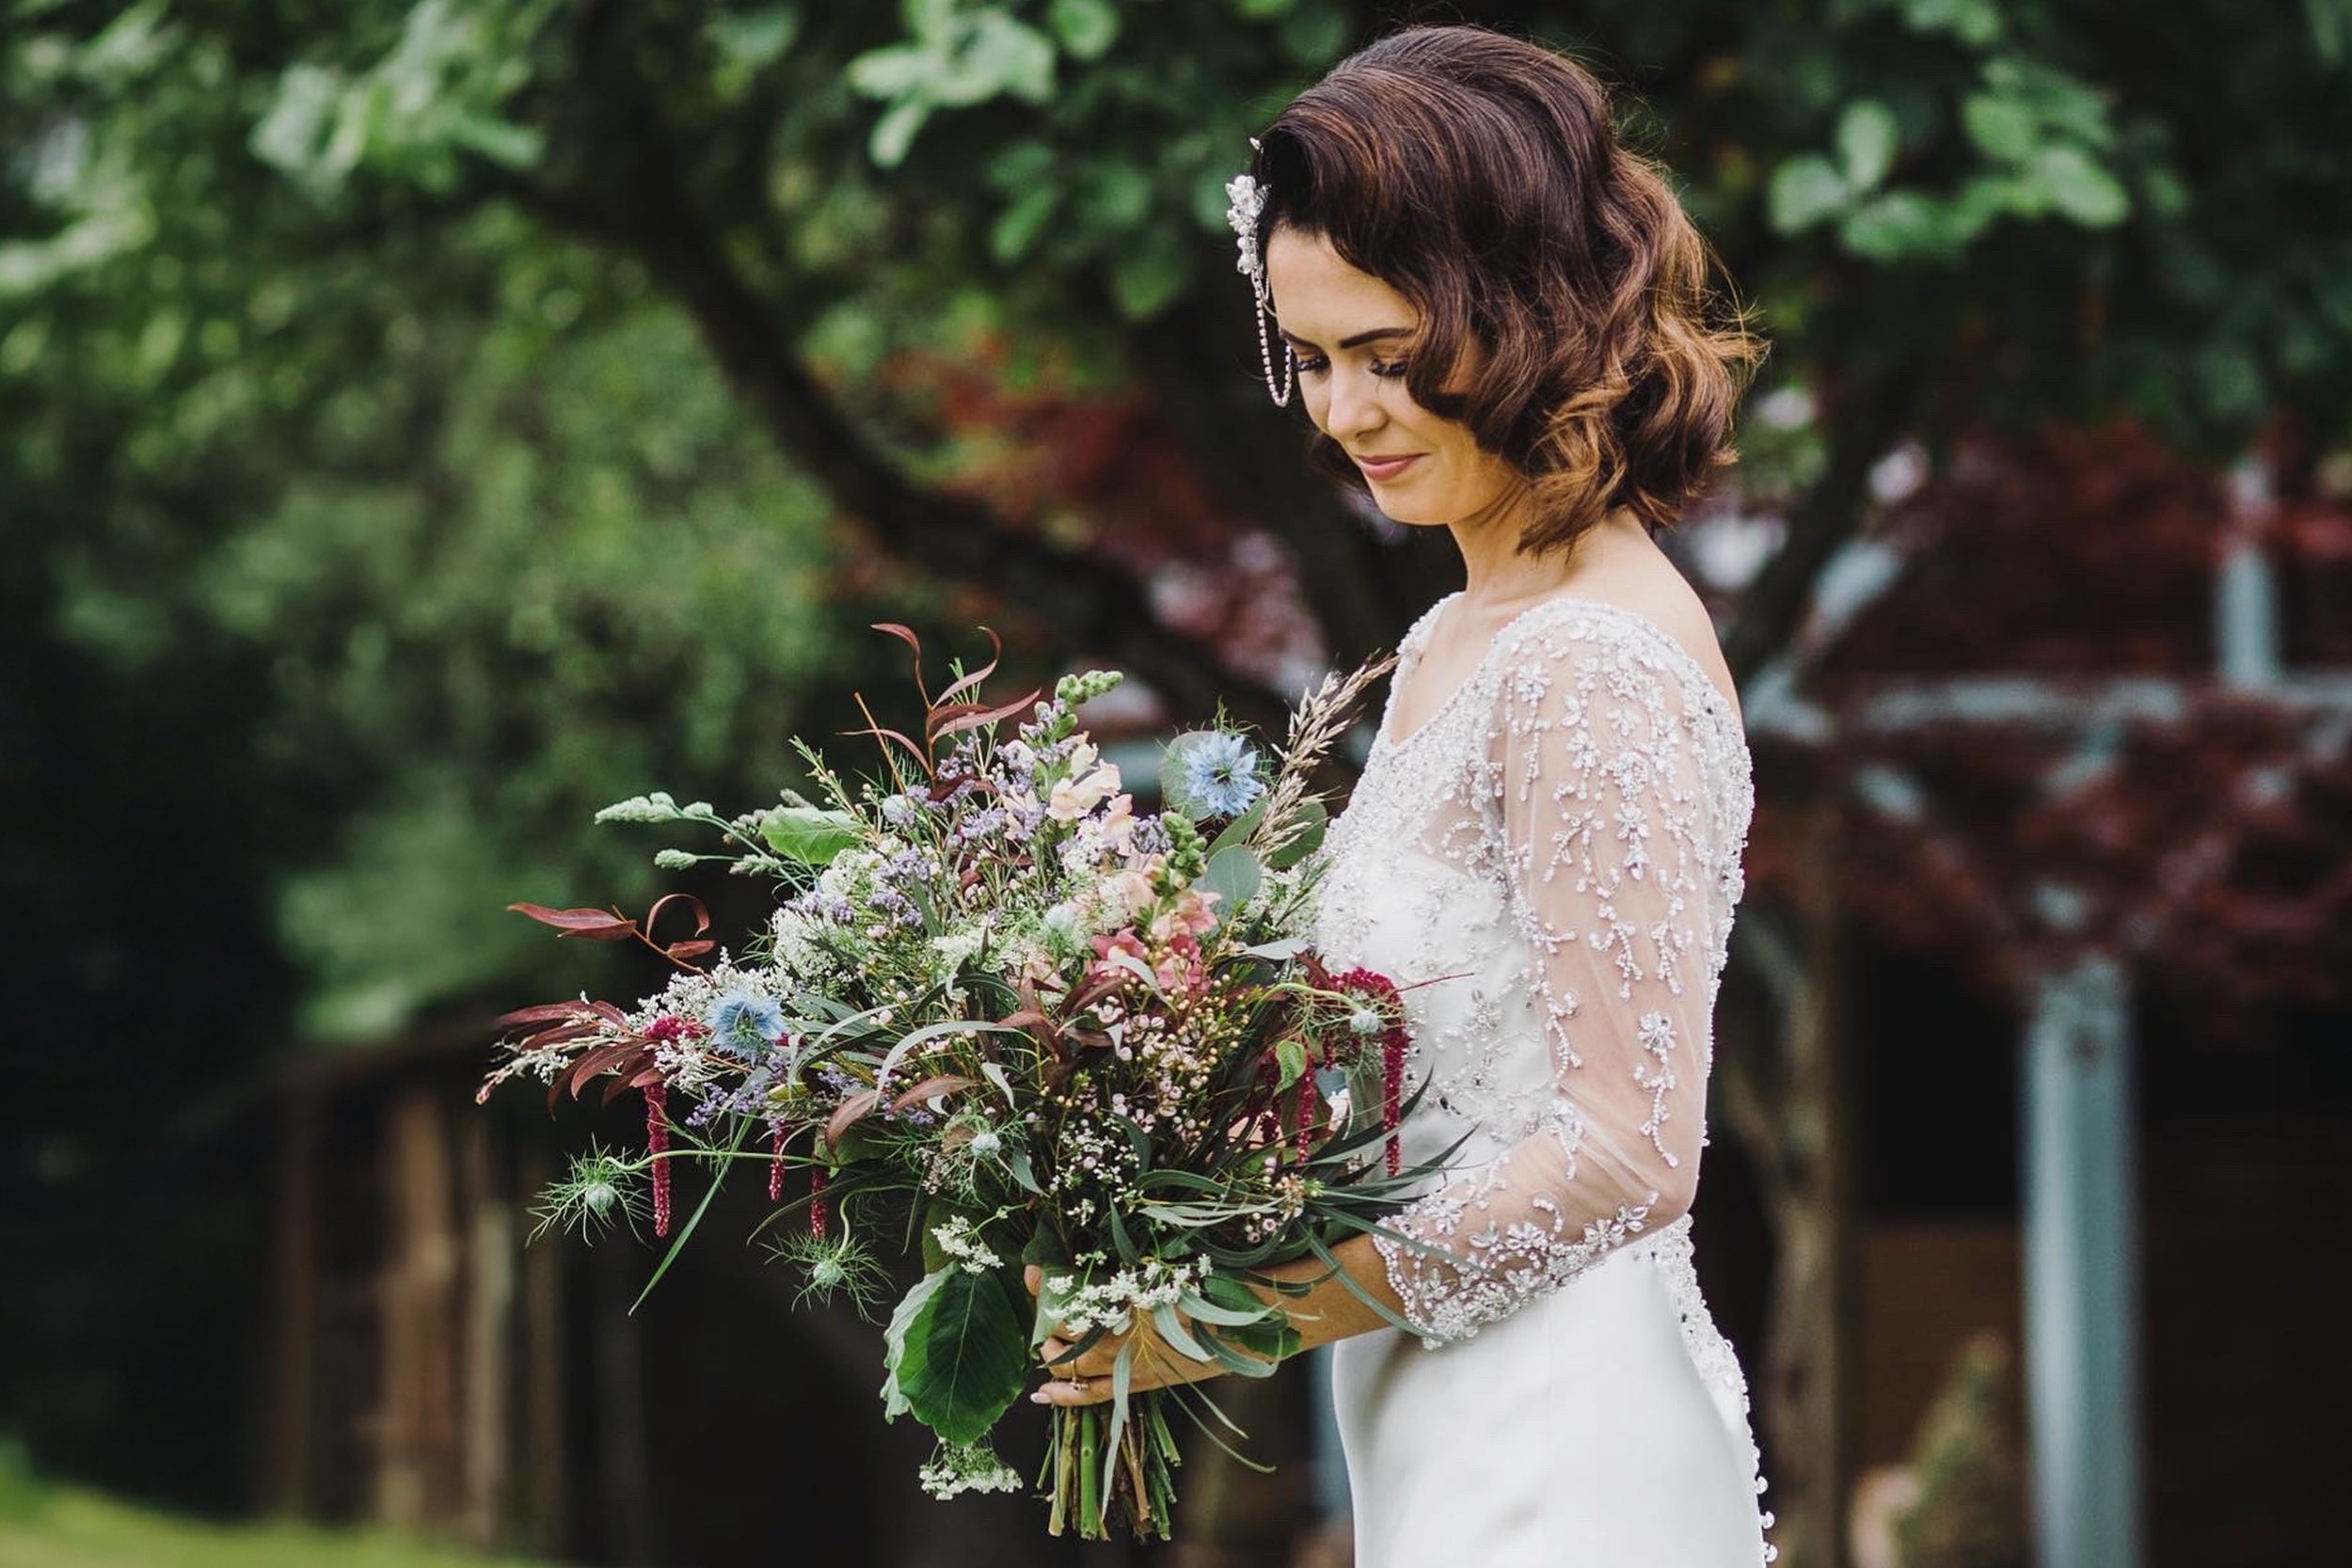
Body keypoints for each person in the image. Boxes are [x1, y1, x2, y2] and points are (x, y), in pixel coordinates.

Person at [1032, 23, 1775, 1565]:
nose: (1342, 413)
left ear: (1530, 321)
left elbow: (1628, 1153)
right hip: (1437, 1419)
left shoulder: (1589, 659)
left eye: (1387, 356)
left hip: (1554, 1443)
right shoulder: (1457, 632)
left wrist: (1234, 1316)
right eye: (1309, 360)